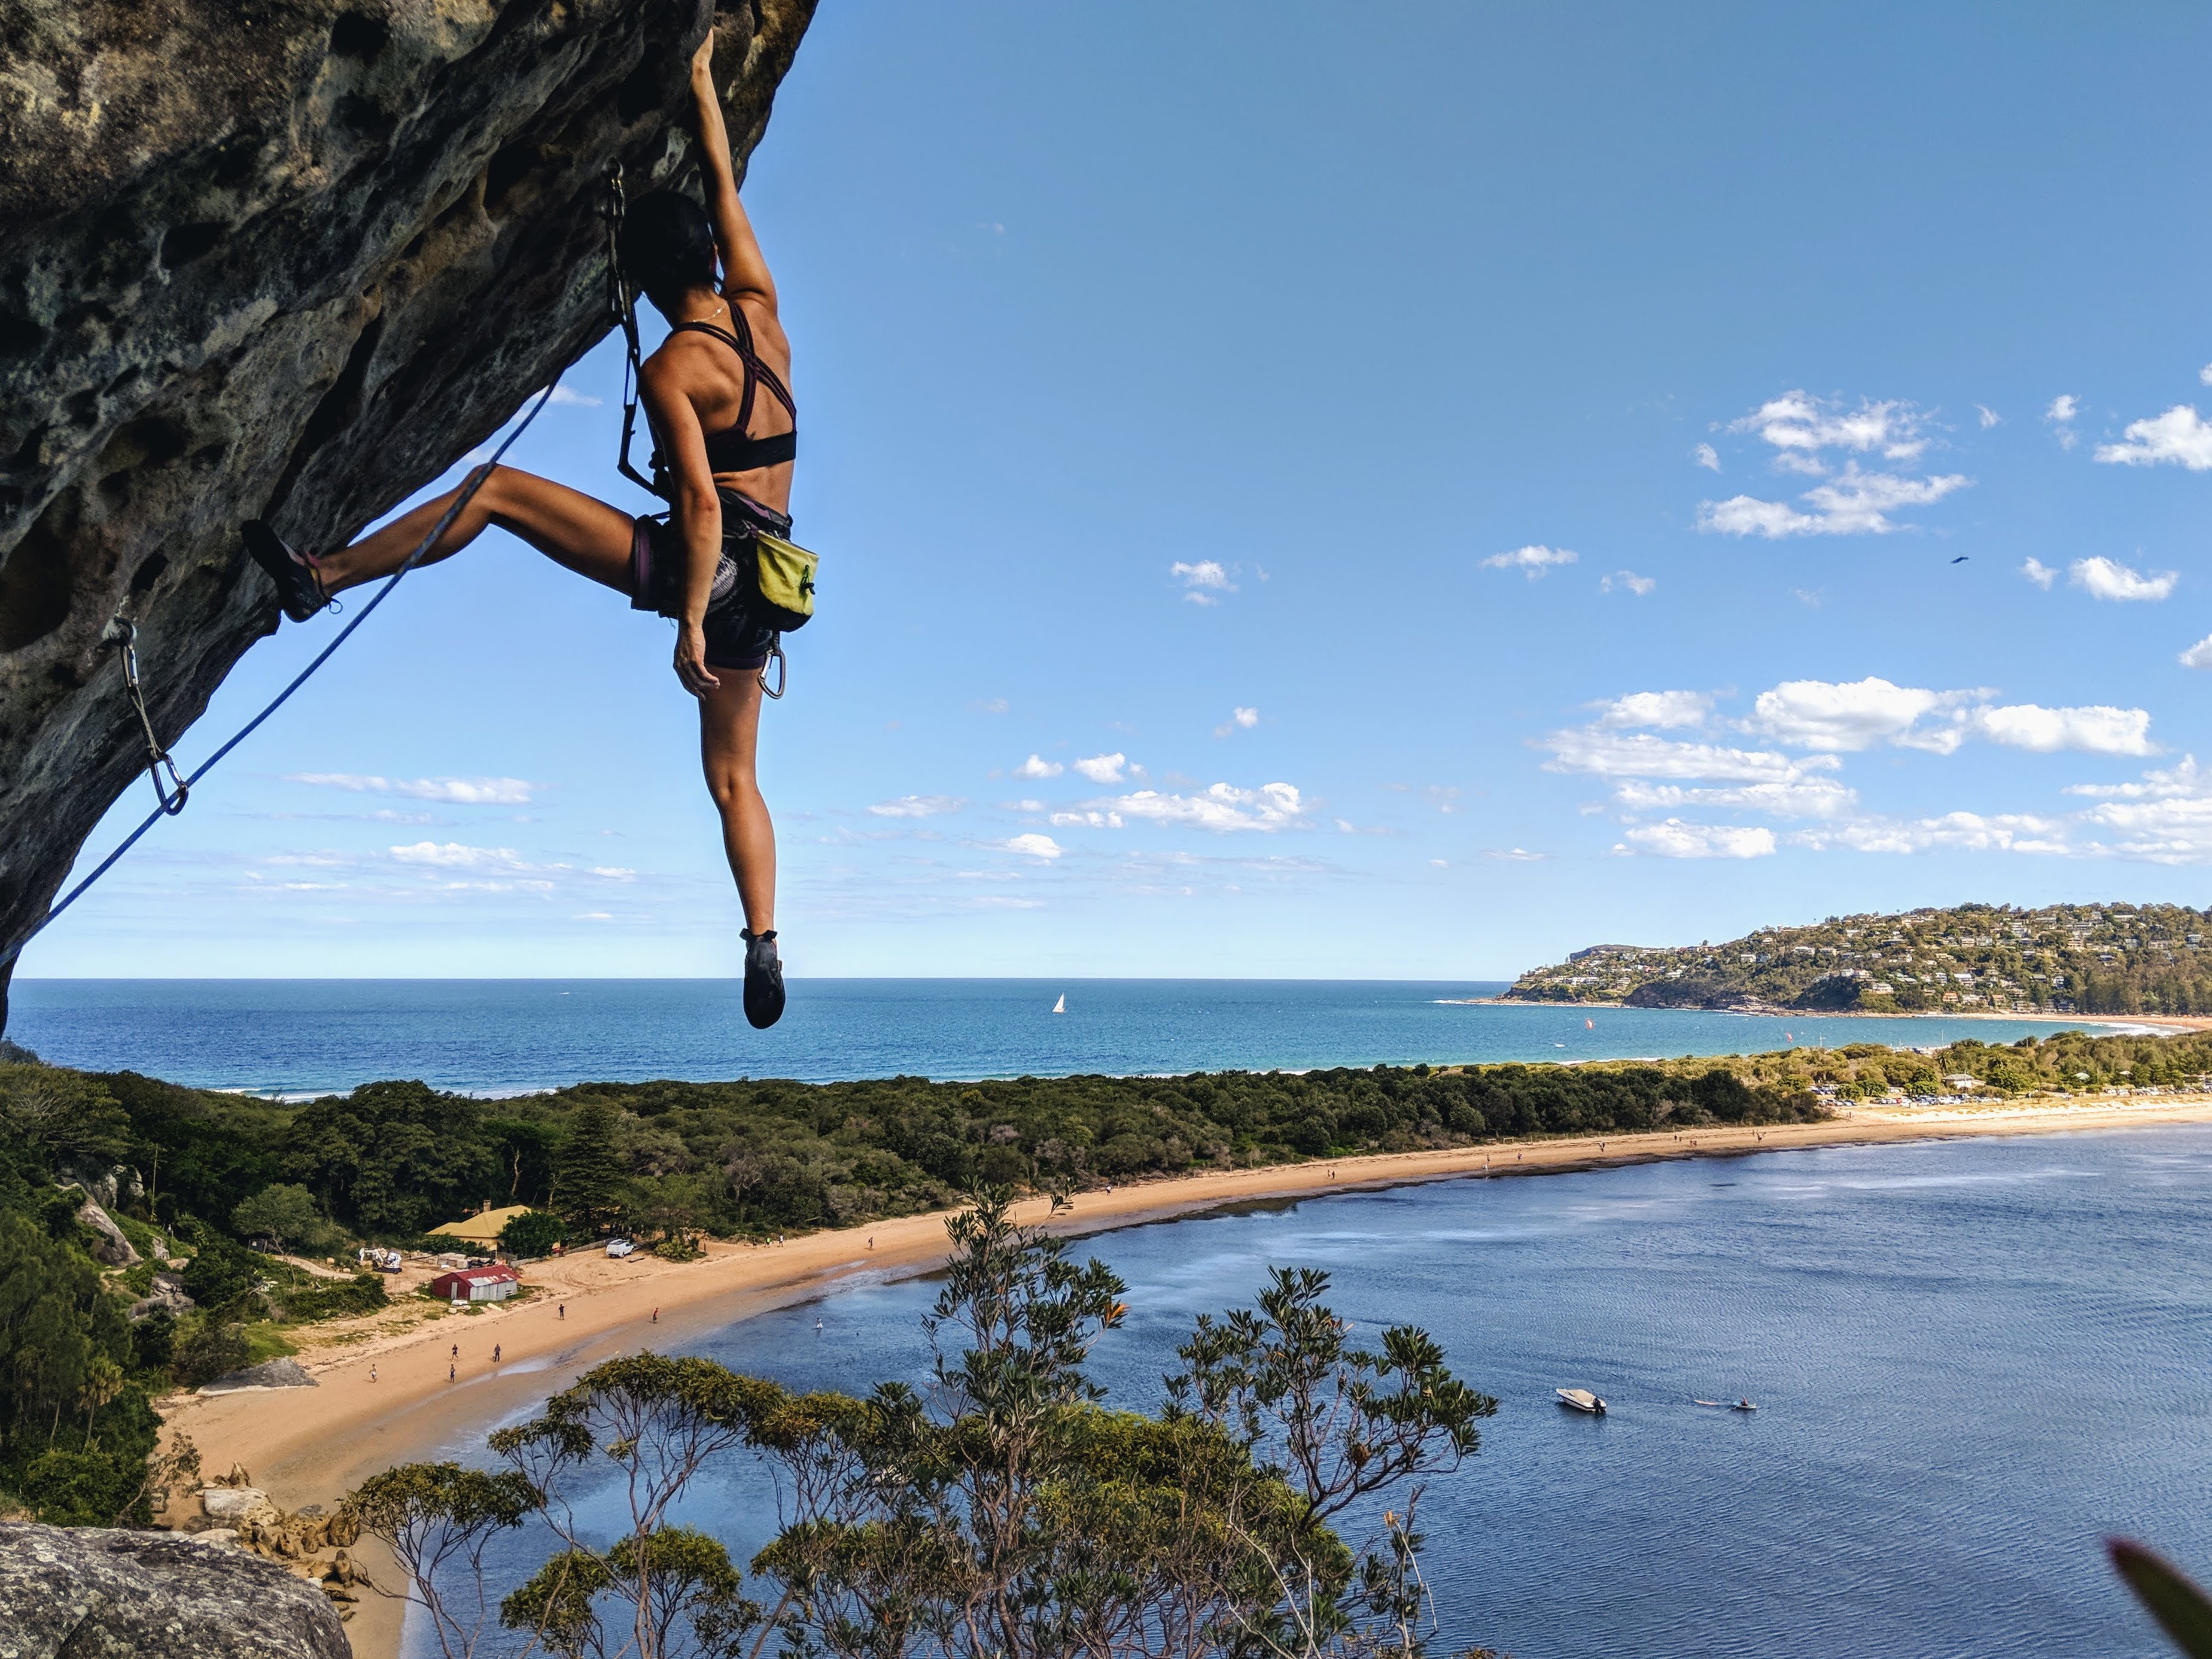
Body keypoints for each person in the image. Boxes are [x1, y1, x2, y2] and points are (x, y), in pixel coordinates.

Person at [240, 27, 796, 1028]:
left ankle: (322, 579)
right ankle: (761, 938)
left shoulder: (677, 368)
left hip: (708, 569)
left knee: (493, 488)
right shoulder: (762, 315)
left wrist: (686, 628)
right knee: (733, 778)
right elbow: (722, 184)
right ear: (709, 258)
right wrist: (703, 81)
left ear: (637, 281)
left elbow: (704, 506)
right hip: (771, 586)